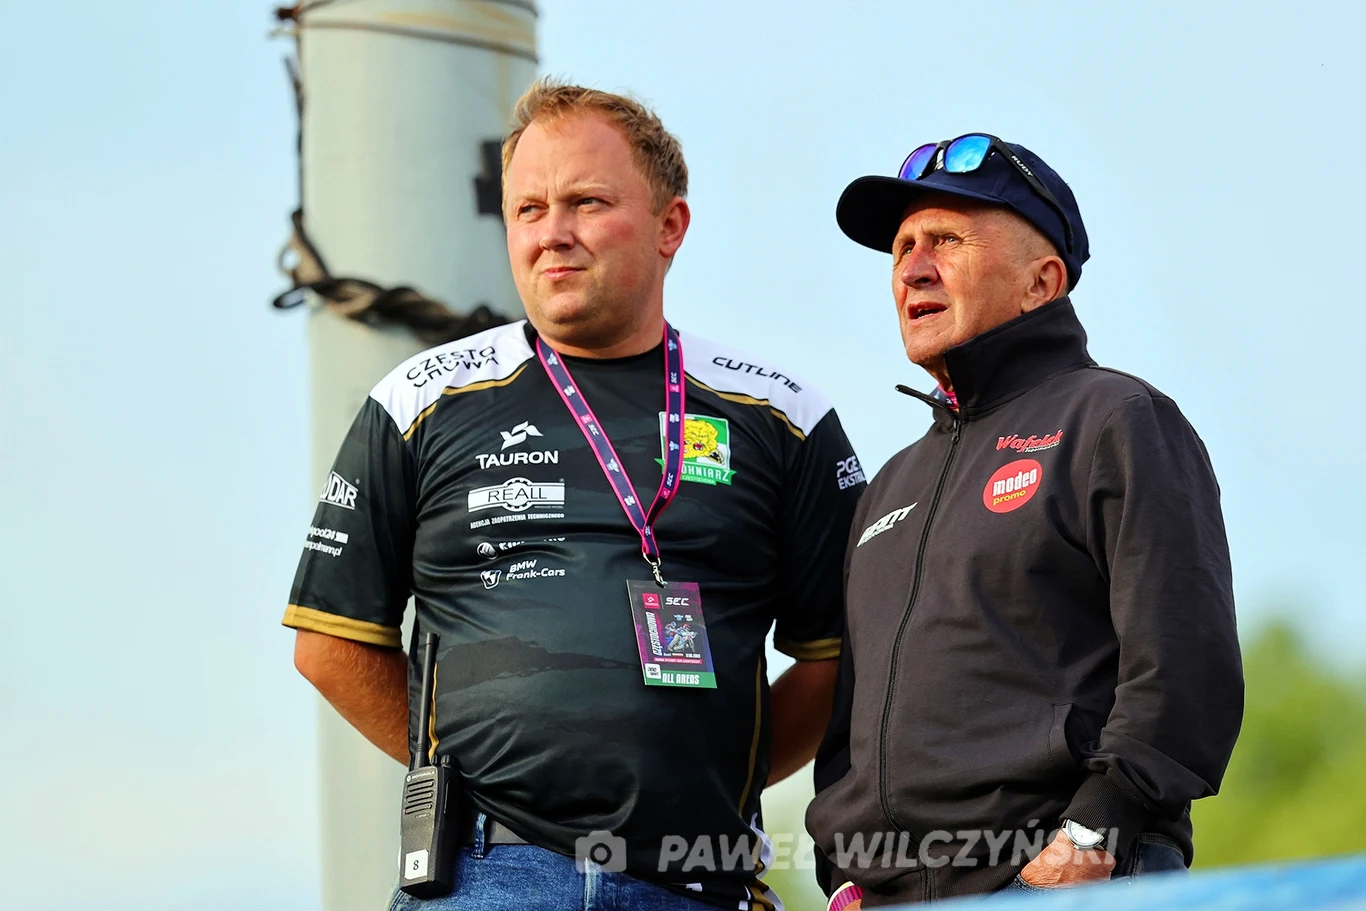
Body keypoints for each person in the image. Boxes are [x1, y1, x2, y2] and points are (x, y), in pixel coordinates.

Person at [283, 79, 866, 911]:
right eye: (528, 209)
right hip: (488, 877)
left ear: (671, 226)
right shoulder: (419, 399)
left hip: (699, 882)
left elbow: (835, 655)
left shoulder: (781, 414)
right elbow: (328, 645)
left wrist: (703, 775)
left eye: (586, 202)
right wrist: (472, 776)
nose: (552, 234)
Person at [805, 134, 1243, 907]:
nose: (913, 266)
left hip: (1063, 881)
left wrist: (1099, 828)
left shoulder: (1116, 418)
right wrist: (841, 871)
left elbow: (1186, 664)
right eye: (903, 247)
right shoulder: (890, 486)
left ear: (1043, 281)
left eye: (946, 239)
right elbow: (849, 721)